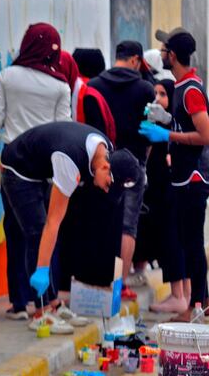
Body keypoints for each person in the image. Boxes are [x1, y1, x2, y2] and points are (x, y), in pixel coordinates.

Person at [0, 121, 141, 333]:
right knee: (38, 232)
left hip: (40, 166)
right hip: (17, 167)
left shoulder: (106, 149)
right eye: (109, 185)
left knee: (48, 233)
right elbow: (53, 222)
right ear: (104, 167)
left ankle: (53, 304)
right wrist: (42, 270)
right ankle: (42, 313)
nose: (106, 190)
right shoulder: (70, 161)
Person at [0, 23, 72, 322]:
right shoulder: (60, 86)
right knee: (47, 231)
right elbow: (64, 127)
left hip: (11, 166)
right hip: (46, 170)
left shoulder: (8, 77)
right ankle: (46, 300)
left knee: (15, 231)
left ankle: (20, 302)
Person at [140, 28, 209, 322]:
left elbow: (205, 135)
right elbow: (185, 123)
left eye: (165, 50)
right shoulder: (181, 86)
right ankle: (198, 304)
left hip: (193, 178)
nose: (162, 54)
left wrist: (165, 132)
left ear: (174, 56)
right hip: (182, 176)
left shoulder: (191, 89)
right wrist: (165, 118)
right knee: (186, 240)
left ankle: (197, 306)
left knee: (192, 243)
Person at [89, 41, 156, 300]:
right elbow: (149, 132)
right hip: (133, 164)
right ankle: (120, 284)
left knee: (103, 222)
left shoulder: (94, 86)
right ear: (136, 60)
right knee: (128, 225)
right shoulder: (145, 89)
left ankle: (99, 279)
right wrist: (143, 160)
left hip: (101, 164)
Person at [135, 80, 190, 313]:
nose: (157, 98)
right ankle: (182, 293)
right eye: (155, 93)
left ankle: (179, 295)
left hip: (168, 191)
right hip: (161, 190)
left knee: (172, 240)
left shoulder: (175, 128)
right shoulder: (161, 124)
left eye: (163, 94)